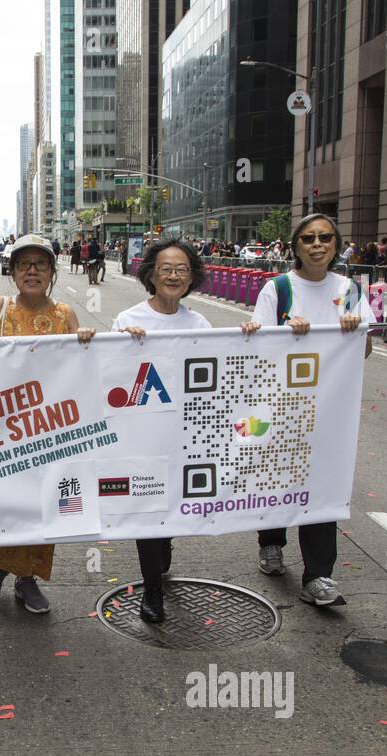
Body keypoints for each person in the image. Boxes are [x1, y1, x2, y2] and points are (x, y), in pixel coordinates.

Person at [112, 240, 258, 623]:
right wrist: (124, 350)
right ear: (151, 274)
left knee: (170, 505)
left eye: (181, 269)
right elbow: (110, 378)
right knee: (149, 509)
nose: (173, 275)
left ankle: (165, 546)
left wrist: (249, 339)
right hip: (144, 434)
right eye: (165, 268)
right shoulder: (128, 319)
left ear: (191, 277)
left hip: (186, 434)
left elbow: (217, 374)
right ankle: (153, 594)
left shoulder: (199, 324)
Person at [244, 213, 374, 607]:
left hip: (330, 410)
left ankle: (318, 575)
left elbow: (366, 351)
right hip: (282, 407)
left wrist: (355, 334)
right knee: (279, 480)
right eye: (308, 239)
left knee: (323, 488)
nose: (317, 245)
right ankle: (271, 542)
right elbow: (257, 348)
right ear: (295, 246)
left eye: (325, 238)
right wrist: (287, 334)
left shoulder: (349, 289)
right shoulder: (278, 289)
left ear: (336, 245)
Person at [0, 234, 96, 613]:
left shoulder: (64, 315)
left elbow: (83, 366)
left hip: (52, 428)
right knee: (11, 502)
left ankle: (26, 581)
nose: (31, 271)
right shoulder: (1, 306)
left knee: (45, 505)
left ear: (52, 272)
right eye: (24, 264)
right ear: (12, 272)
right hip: (8, 429)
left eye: (40, 265)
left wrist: (86, 341)